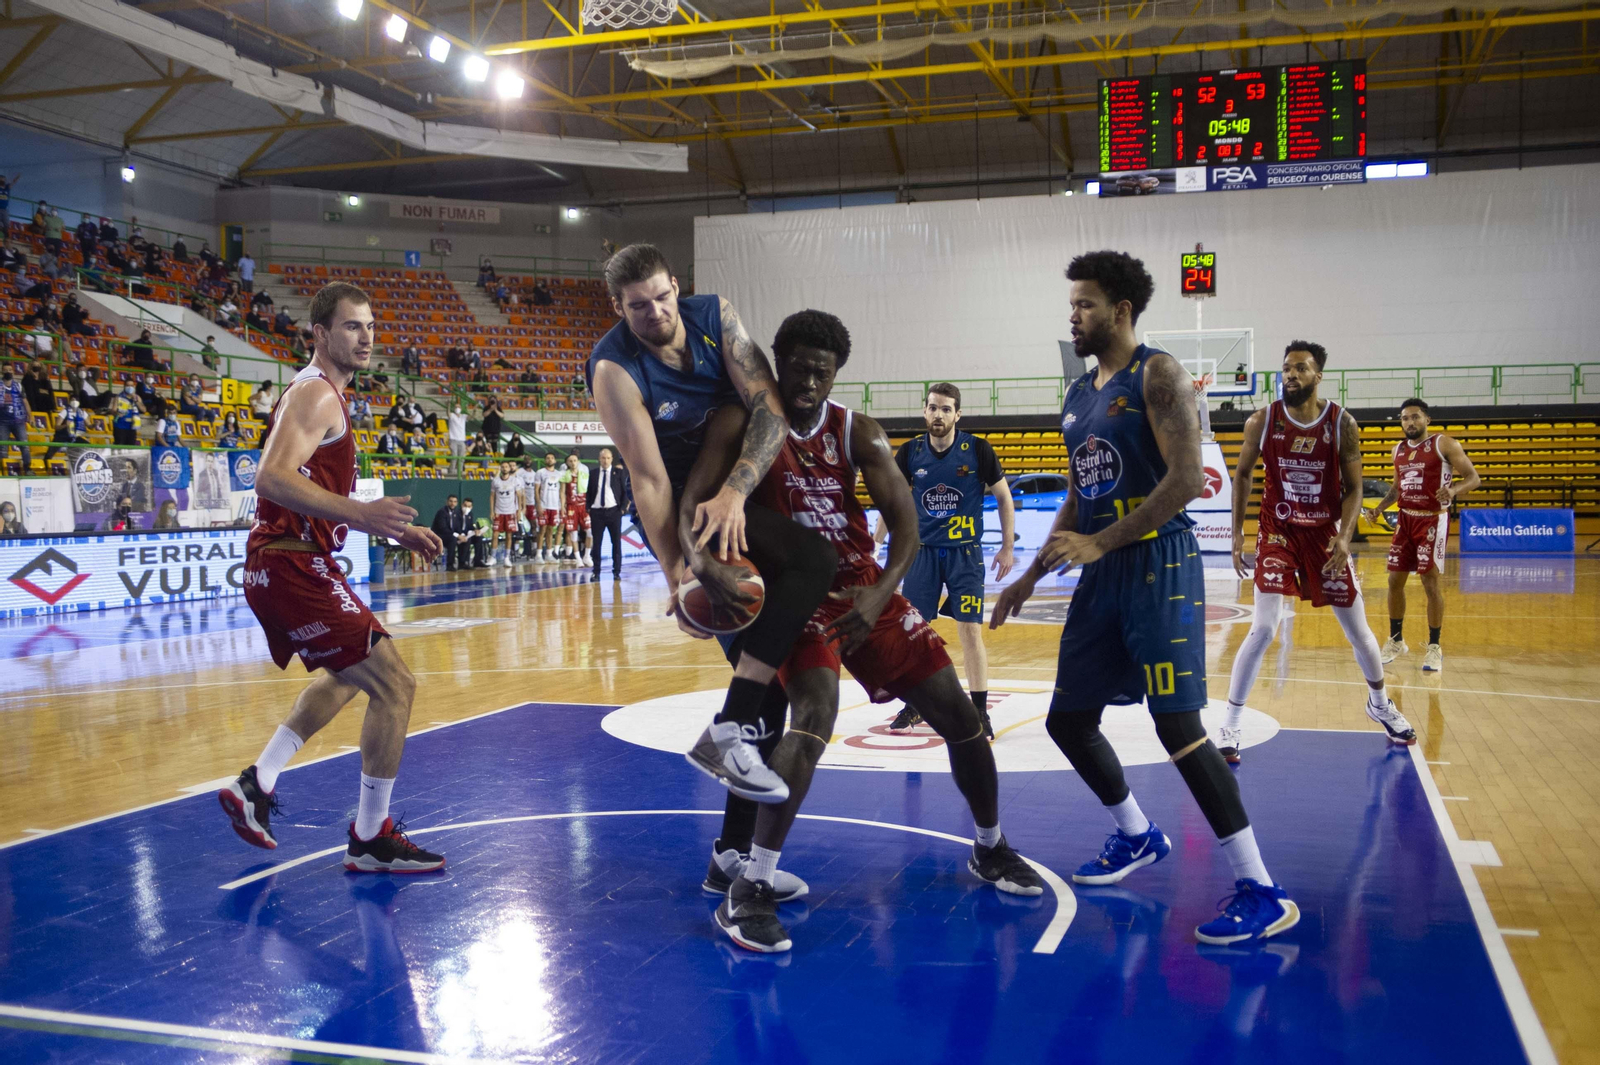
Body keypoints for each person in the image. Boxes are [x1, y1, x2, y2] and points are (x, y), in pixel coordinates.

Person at [682, 309, 1041, 951]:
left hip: (861, 587)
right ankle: (751, 885)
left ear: (836, 375)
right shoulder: (743, 422)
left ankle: (990, 847)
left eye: (822, 373)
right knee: (812, 715)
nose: (808, 383)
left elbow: (906, 526)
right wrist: (697, 568)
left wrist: (880, 594)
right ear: (777, 363)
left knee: (960, 716)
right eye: (798, 369)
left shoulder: (859, 432)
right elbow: (696, 505)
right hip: (793, 596)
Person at [991, 250, 1300, 945]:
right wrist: (1028, 576)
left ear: (1121, 310)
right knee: (1069, 720)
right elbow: (1081, 494)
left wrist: (1101, 543)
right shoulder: (1078, 394)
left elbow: (1187, 479)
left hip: (1159, 561)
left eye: (1085, 304)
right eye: (1071, 304)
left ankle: (1261, 888)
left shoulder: (1158, 374)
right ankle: (1137, 833)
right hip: (1102, 571)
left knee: (1178, 725)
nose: (1073, 316)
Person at [588, 243, 836, 829]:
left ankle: (729, 846)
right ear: (618, 307)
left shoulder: (715, 316)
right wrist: (677, 568)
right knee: (779, 645)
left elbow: (768, 407)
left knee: (769, 681)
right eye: (638, 306)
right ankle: (729, 747)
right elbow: (649, 480)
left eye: (661, 297)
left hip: (736, 486)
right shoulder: (614, 370)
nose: (655, 313)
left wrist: (737, 492)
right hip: (686, 503)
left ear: (677, 285)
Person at [217, 280, 446, 874]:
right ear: (320, 333)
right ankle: (371, 837)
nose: (366, 337)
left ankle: (258, 782)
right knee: (396, 685)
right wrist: (363, 515)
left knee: (349, 676)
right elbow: (270, 478)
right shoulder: (317, 393)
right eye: (351, 326)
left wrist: (390, 530)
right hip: (290, 563)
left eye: (370, 326)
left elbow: (307, 494)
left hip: (284, 561)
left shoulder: (319, 393)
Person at [1219, 340, 1418, 764]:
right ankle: (1231, 723)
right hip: (1278, 530)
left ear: (1318, 376)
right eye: (1286, 368)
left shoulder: (1342, 423)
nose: (1291, 375)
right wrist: (1236, 534)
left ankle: (1379, 703)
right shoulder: (1262, 420)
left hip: (1325, 534)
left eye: (1301, 368)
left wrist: (1345, 536)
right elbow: (1242, 475)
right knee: (1263, 628)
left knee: (1358, 632)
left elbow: (1355, 488)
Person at [873, 382, 1016, 738]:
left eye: (946, 409)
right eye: (933, 407)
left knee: (970, 631)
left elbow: (1004, 497)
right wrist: (875, 544)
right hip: (922, 553)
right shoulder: (910, 453)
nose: (939, 414)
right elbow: (892, 500)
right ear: (925, 411)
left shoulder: (978, 450)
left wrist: (1007, 547)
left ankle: (979, 711)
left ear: (958, 414)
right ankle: (916, 705)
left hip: (965, 554)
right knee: (915, 632)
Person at [1364, 398, 1482, 673]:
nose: (1410, 422)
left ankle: (1434, 647)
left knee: (1430, 584)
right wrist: (1379, 508)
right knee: (1394, 580)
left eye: (1415, 417)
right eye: (1405, 418)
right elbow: (1397, 488)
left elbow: (1473, 478)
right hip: (1405, 519)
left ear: (1427, 419)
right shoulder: (1398, 450)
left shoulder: (1444, 444)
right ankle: (1396, 640)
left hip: (1432, 519)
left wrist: (1453, 490)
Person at [585, 448, 629, 579]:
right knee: (597, 543)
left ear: (611, 459)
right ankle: (596, 571)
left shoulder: (619, 473)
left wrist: (622, 509)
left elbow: (625, 492)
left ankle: (616, 572)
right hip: (597, 512)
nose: (605, 461)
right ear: (599, 459)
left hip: (614, 512)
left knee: (616, 543)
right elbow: (589, 492)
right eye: (603, 458)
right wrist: (588, 508)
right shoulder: (593, 473)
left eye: (608, 458)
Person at [531, 451, 566, 563]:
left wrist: (562, 506)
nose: (550, 459)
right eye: (547, 458)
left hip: (554, 506)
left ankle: (549, 554)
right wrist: (538, 505)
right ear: (544, 460)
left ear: (555, 461)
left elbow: (562, 492)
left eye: (552, 458)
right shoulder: (540, 472)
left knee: (551, 530)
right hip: (544, 505)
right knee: (542, 530)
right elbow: (536, 490)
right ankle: (538, 555)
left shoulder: (559, 474)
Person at [561, 452, 592, 567]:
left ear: (578, 462)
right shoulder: (565, 475)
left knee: (590, 531)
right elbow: (562, 492)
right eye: (570, 461)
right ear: (567, 463)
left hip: (584, 505)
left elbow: (589, 490)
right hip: (571, 506)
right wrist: (562, 506)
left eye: (575, 460)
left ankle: (587, 556)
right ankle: (578, 558)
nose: (573, 463)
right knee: (573, 533)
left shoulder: (584, 474)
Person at [488, 461, 522, 565]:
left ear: (509, 468)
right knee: (495, 534)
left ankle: (507, 557)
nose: (504, 468)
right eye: (502, 467)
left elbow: (519, 496)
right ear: (500, 468)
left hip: (510, 511)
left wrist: (519, 511)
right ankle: (493, 557)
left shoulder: (515, 480)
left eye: (506, 467)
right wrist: (492, 511)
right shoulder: (495, 481)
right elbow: (492, 496)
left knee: (509, 535)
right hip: (498, 511)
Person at [0, 367, 31, 470]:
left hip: (18, 420)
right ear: (2, 371)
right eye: (6, 370)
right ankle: (3, 469)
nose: (8, 371)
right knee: (2, 448)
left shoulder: (18, 386)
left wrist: (30, 416)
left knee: (24, 445)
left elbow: (25, 401)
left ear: (13, 371)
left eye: (10, 370)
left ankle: (27, 468)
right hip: (2, 421)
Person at [431, 494, 471, 571]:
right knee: (453, 539)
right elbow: (443, 528)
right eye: (451, 501)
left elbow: (457, 527)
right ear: (447, 502)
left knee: (466, 539)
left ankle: (462, 563)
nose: (453, 503)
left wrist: (462, 535)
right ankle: (450, 564)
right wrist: (457, 535)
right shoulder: (442, 512)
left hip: (450, 535)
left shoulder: (456, 513)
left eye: (455, 502)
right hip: (440, 536)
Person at [46, 398, 88, 462]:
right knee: (49, 454)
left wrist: (95, 424)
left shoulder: (82, 412)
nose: (74, 402)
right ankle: (46, 465)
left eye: (76, 400)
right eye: (72, 400)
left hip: (73, 436)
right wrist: (65, 425)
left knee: (88, 446)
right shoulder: (65, 411)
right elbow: (56, 427)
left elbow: (90, 426)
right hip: (61, 436)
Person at [460, 496, 487, 566]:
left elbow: (470, 526)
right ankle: (464, 562)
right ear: (462, 505)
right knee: (467, 540)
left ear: (471, 507)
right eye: (465, 506)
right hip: (459, 536)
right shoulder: (457, 514)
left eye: (469, 506)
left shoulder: (470, 514)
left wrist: (476, 530)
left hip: (468, 535)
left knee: (478, 538)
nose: (467, 508)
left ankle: (478, 560)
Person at [446, 402, 467, 475]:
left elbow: (471, 417)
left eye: (458, 407)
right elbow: (448, 414)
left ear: (461, 408)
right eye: (456, 407)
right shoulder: (452, 415)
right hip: (453, 439)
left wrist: (474, 411)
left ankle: (459, 472)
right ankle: (451, 471)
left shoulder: (463, 416)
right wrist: (448, 406)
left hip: (462, 440)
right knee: (454, 456)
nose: (457, 408)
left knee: (461, 458)